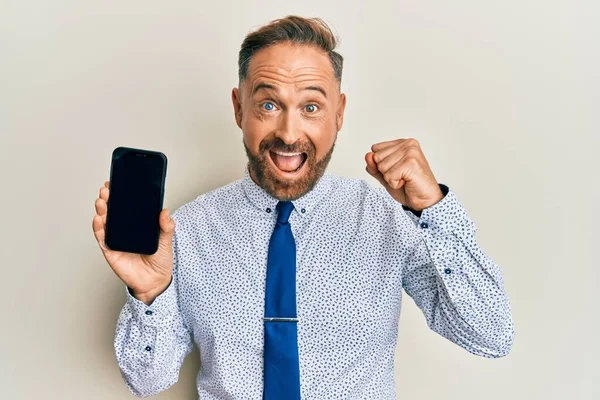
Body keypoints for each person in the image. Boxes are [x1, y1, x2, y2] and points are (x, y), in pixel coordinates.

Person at [92, 15, 514, 400]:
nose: (289, 134)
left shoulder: (385, 218)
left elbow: (491, 334)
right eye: (269, 105)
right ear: (240, 108)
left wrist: (433, 210)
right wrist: (150, 294)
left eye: (311, 107)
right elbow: (146, 380)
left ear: (339, 113)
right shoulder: (186, 231)